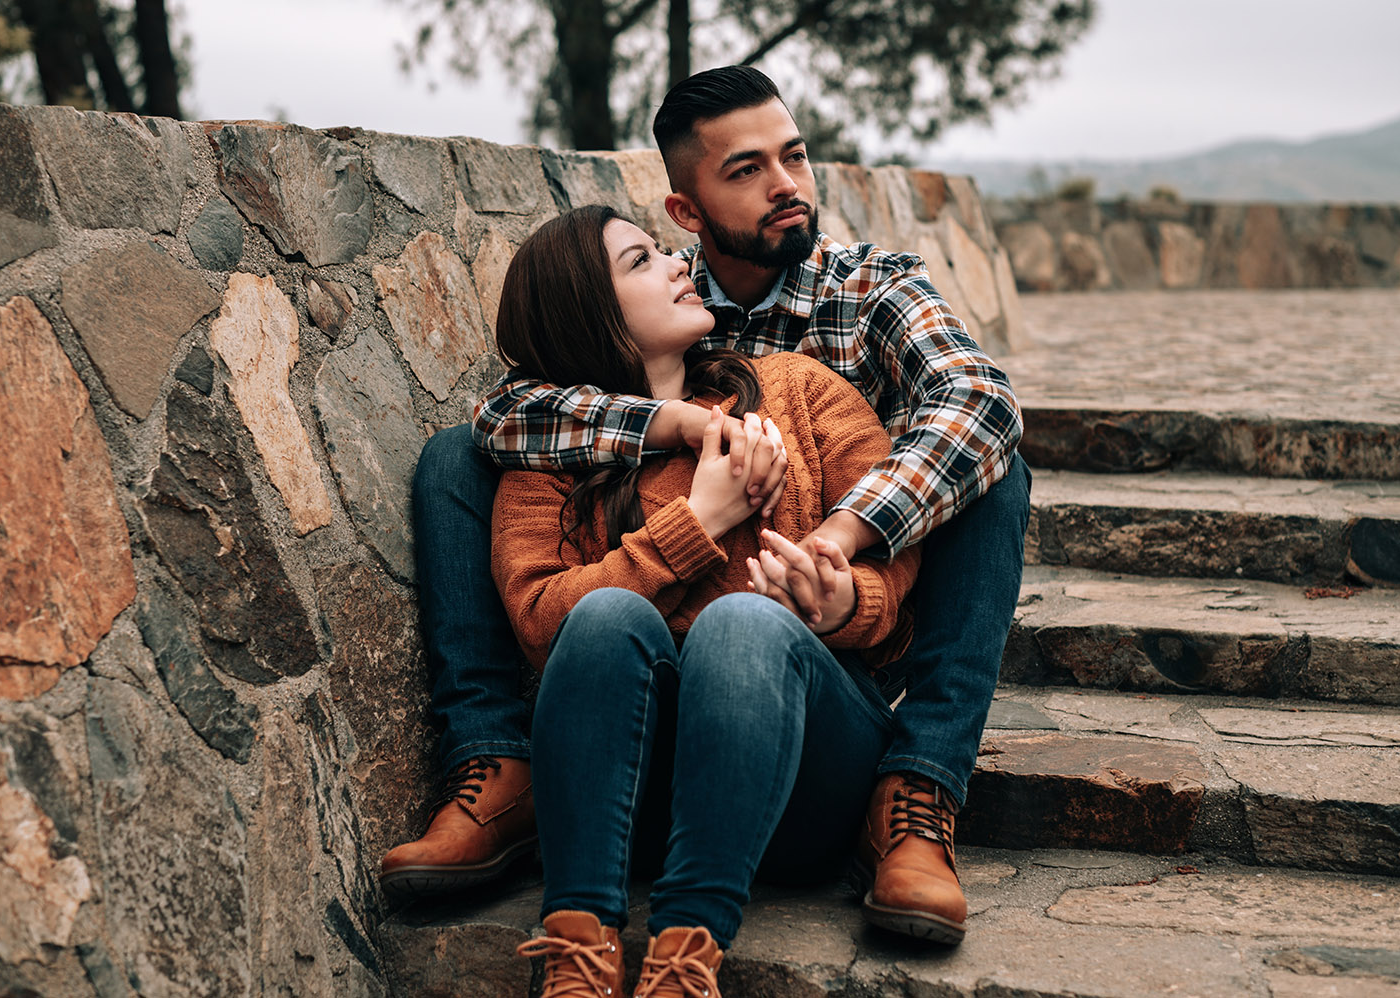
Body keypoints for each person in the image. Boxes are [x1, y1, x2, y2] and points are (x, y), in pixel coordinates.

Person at [379, 65, 1031, 946]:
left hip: (822, 657)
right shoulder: (666, 301)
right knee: (455, 457)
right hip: (646, 670)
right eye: (747, 170)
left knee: (990, 467)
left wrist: (837, 550)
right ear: (686, 211)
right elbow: (504, 418)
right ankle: (498, 760)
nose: (786, 186)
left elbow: (979, 403)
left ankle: (917, 791)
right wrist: (677, 432)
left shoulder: (864, 295)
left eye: (794, 157)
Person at [488, 202, 919, 997]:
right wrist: (700, 522)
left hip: (806, 784)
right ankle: (577, 956)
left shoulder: (796, 389)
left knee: (742, 621)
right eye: (642, 261)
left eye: (665, 251)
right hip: (632, 800)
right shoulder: (548, 456)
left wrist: (843, 601)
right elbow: (543, 625)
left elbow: (897, 562)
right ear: (587, 310)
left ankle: (685, 962)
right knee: (604, 616)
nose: (678, 265)